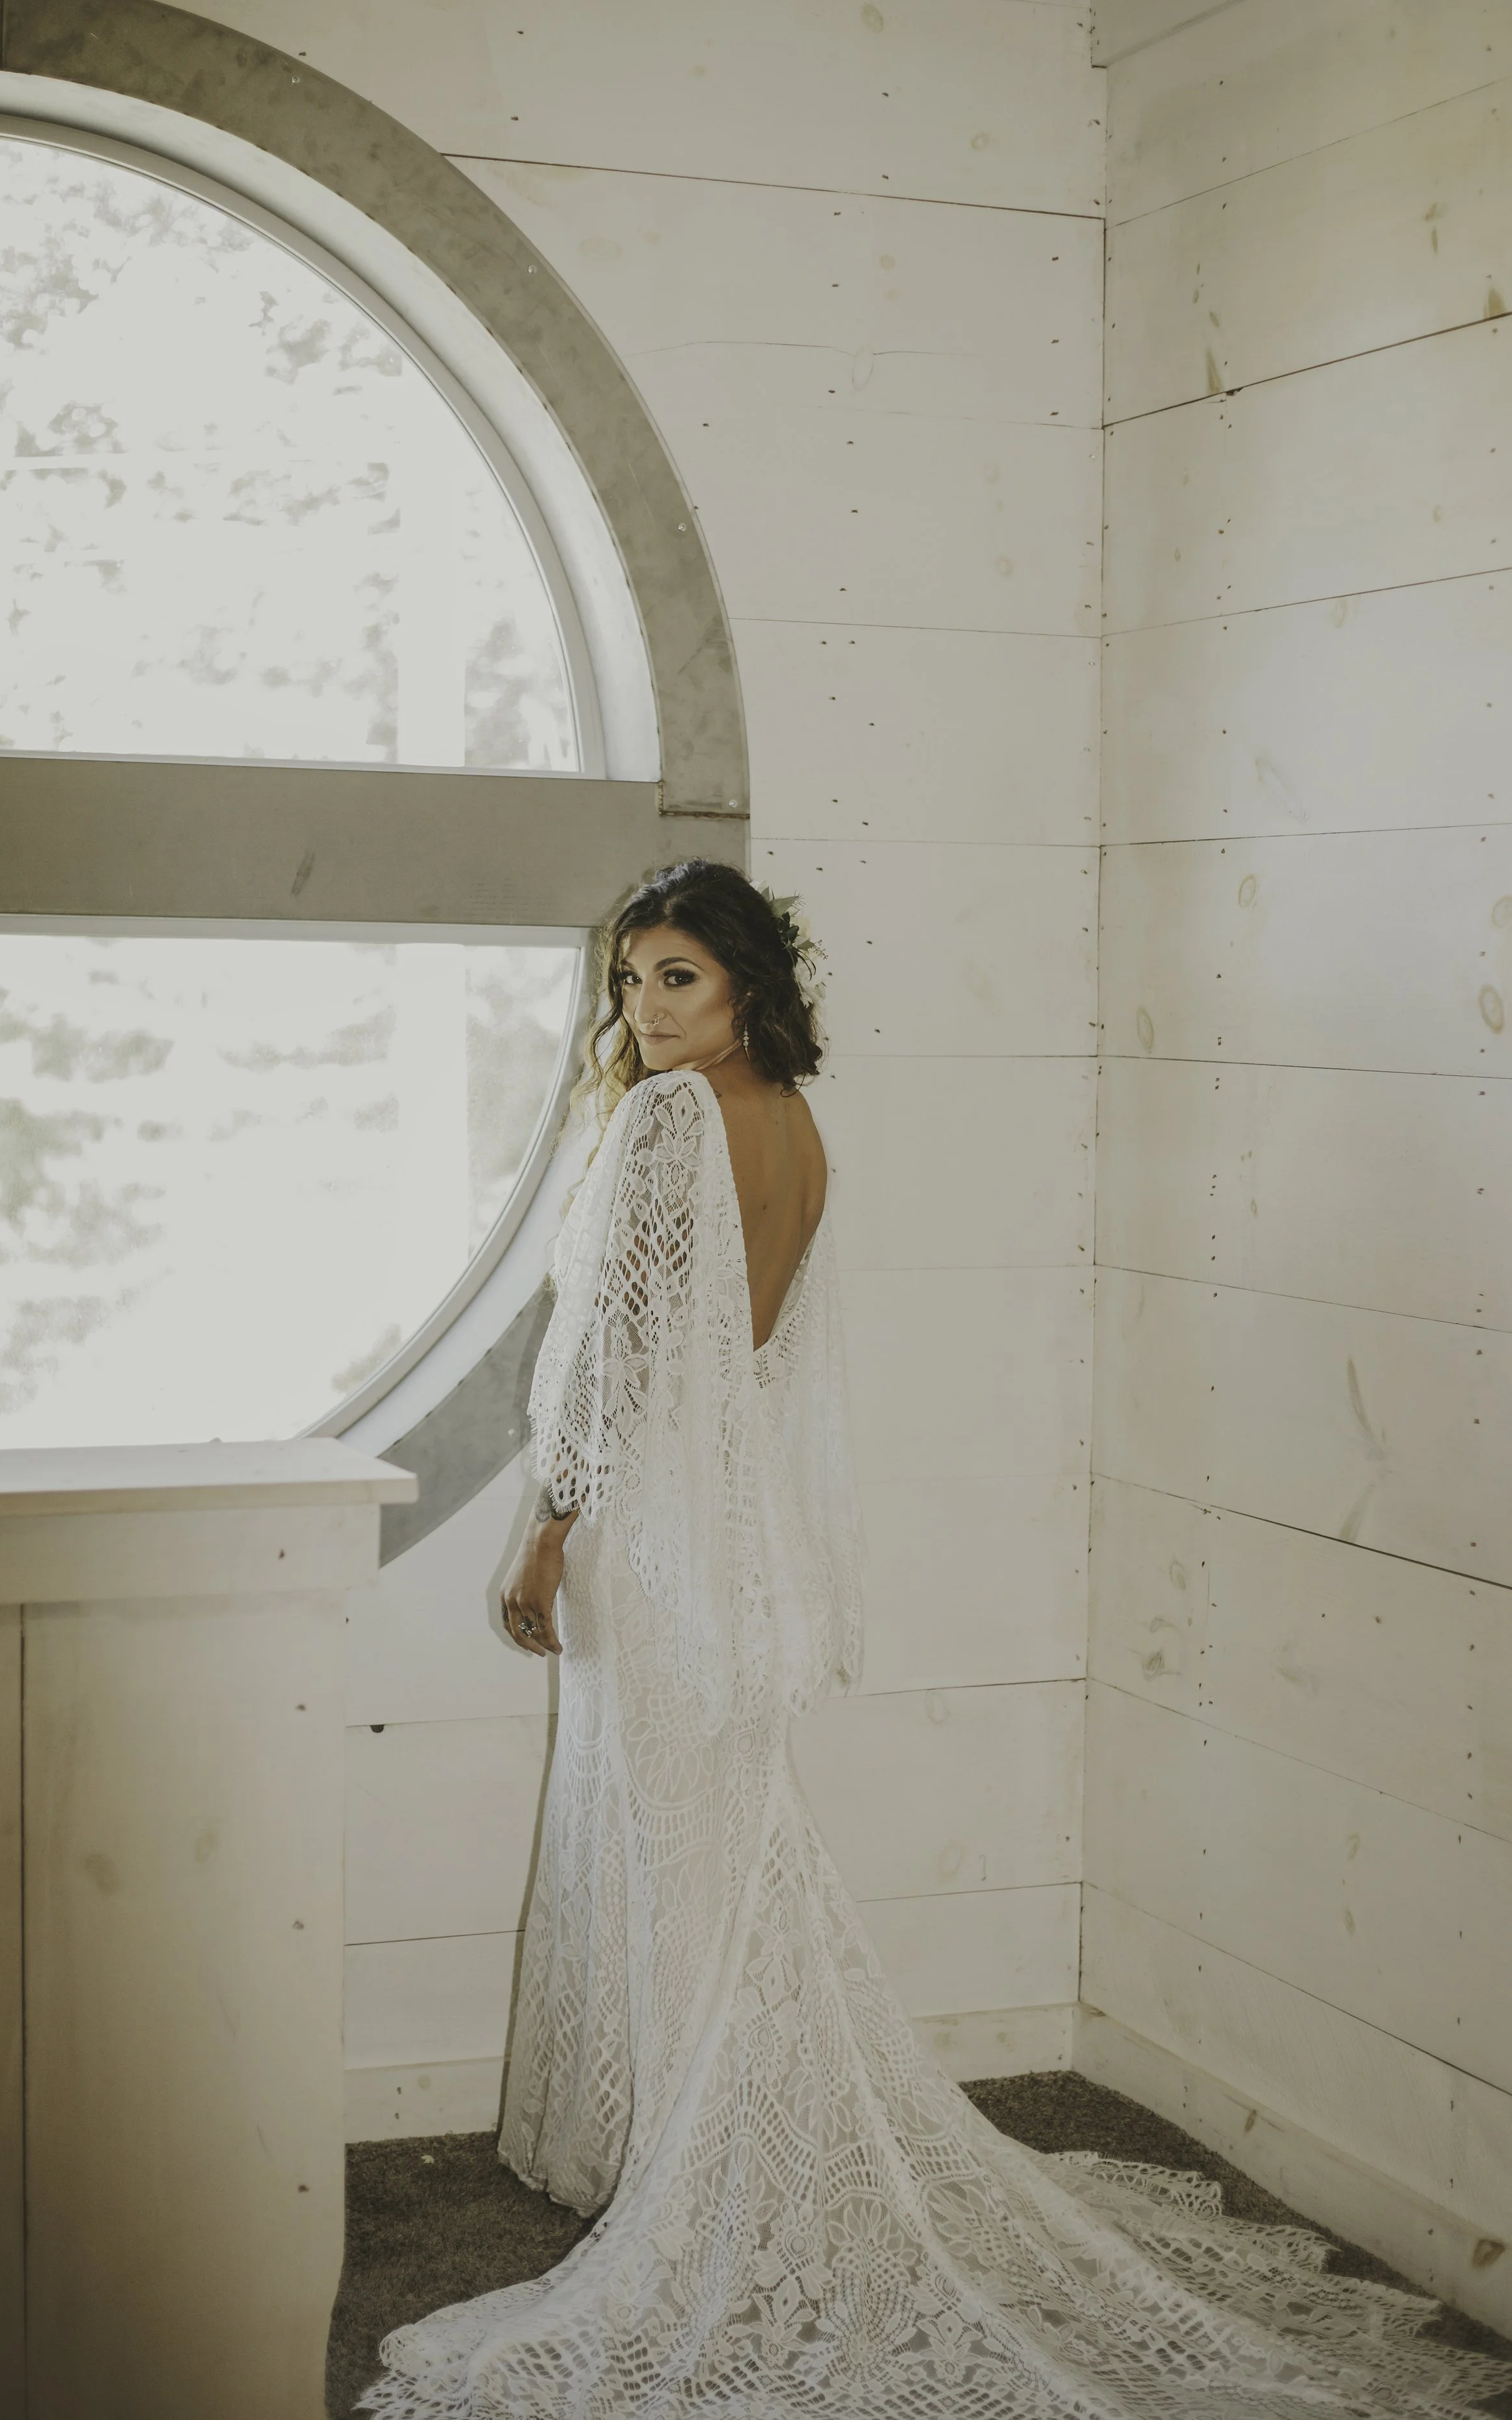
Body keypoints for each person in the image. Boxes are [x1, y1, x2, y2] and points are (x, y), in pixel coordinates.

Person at [361, 861, 1510, 2419]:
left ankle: (687, 2166)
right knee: (709, 1842)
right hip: (734, 1532)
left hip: (652, 1530)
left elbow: (615, 1350)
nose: (643, 1005)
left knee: (659, 1839)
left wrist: (551, 1526)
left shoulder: (667, 1120)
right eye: (628, 978)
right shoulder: (793, 1122)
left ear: (745, 984)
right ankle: (679, 2139)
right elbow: (748, 1354)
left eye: (676, 976)